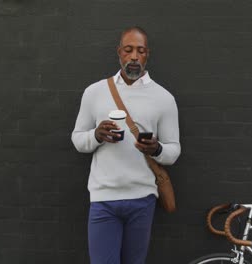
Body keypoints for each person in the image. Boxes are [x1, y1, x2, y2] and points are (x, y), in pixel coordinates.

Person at [71, 26, 181, 264]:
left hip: (142, 199)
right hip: (103, 199)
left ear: (147, 54)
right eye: (128, 50)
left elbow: (173, 150)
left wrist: (157, 149)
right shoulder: (95, 92)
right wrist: (97, 136)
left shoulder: (164, 98)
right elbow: (78, 139)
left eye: (140, 51)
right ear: (119, 52)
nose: (134, 57)